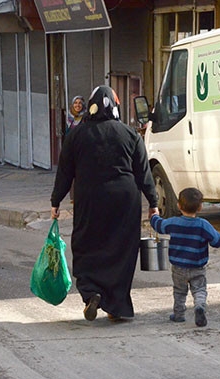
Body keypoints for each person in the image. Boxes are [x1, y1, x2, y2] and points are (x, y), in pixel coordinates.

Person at [51, 85, 159, 321]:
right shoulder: (130, 134)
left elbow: (65, 172)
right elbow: (143, 172)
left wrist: (55, 200)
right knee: (121, 248)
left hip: (90, 199)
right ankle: (117, 305)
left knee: (87, 244)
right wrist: (153, 202)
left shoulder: (77, 135)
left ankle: (91, 292)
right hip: (125, 201)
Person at [150, 187, 220, 326]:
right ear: (200, 207)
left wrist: (154, 216)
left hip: (178, 267)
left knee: (179, 291)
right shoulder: (203, 225)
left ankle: (179, 315)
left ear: (178, 205)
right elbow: (217, 242)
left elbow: (159, 226)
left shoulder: (173, 222)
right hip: (197, 266)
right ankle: (199, 306)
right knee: (199, 289)